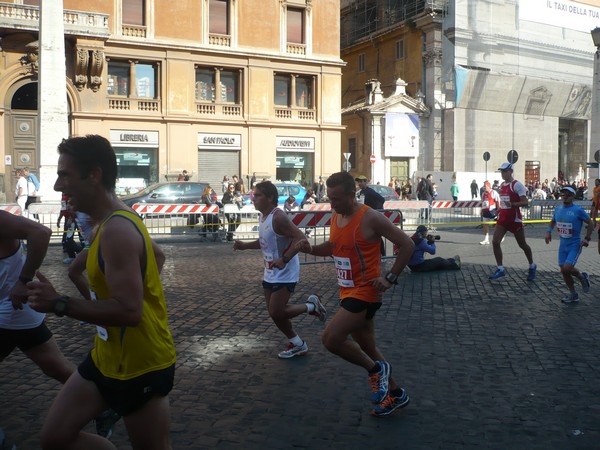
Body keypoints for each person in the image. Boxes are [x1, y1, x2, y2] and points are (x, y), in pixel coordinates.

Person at [25, 134, 176, 449]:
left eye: (64, 174)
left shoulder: (118, 230)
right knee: (54, 438)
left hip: (140, 366)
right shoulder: (107, 223)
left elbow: (130, 312)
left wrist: (60, 303)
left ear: (93, 175)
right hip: (105, 358)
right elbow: (155, 257)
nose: (57, 186)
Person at [295, 171, 415, 417]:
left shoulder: (370, 217)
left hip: (366, 291)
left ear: (352, 195)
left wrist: (390, 277)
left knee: (330, 338)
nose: (332, 203)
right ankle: (396, 394)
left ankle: (376, 372)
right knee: (368, 347)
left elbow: (407, 244)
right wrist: (310, 248)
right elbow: (333, 247)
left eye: (337, 198)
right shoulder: (335, 217)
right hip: (347, 289)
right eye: (329, 198)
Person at [233, 181, 327, 358]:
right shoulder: (263, 216)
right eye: (253, 195)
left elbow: (300, 238)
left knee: (277, 311)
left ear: (270, 197)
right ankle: (297, 343)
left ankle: (311, 306)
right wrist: (244, 246)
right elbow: (265, 242)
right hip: (270, 271)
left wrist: (285, 259)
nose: (253, 198)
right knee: (274, 313)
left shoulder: (278, 217)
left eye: (257, 195)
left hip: (286, 271)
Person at [488, 163, 536, 282]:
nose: (502, 174)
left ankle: (532, 265)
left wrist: (513, 204)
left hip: (514, 219)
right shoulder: (503, 185)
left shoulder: (517, 185)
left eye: (504, 171)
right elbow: (504, 202)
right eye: (501, 171)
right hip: (503, 218)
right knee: (495, 242)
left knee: (522, 245)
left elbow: (525, 202)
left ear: (510, 171)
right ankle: (500, 269)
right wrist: (498, 209)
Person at [545, 186, 593, 303]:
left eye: (568, 195)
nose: (565, 197)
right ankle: (574, 292)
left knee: (567, 268)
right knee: (564, 270)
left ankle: (581, 279)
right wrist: (548, 232)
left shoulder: (578, 210)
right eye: (563, 194)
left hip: (574, 244)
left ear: (573, 197)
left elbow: (590, 223)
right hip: (563, 245)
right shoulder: (558, 209)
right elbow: (553, 221)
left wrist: (587, 238)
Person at [479, 181, 500, 245]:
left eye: (485, 186)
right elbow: (483, 202)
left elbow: (498, 202)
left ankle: (500, 236)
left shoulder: (494, 192)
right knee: (485, 225)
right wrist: (481, 210)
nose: (484, 188)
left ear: (489, 186)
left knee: (497, 225)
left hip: (493, 210)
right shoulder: (483, 194)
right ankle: (486, 239)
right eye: (483, 186)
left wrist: (498, 210)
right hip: (485, 210)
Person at [590, 178, 600, 255]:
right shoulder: (594, 188)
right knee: (592, 213)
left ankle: (595, 224)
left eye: (596, 181)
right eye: (595, 182)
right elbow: (595, 195)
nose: (595, 183)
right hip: (594, 201)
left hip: (598, 202)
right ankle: (594, 224)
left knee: (594, 213)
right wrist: (592, 199)